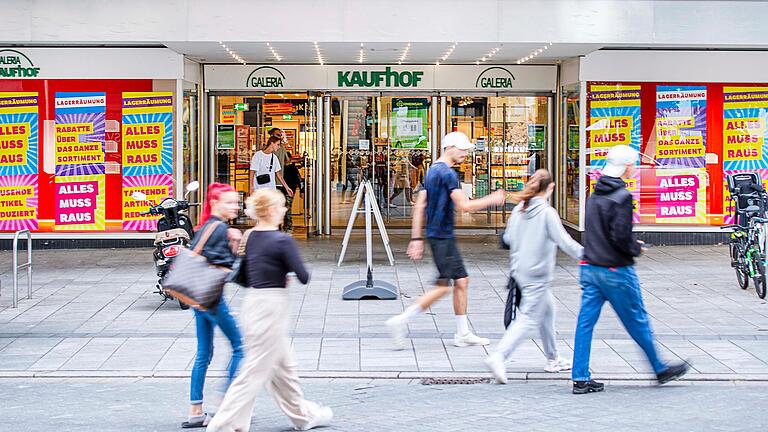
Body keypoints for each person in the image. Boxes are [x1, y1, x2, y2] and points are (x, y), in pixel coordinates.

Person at [206, 189, 333, 432]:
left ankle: (302, 417)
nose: (285, 210)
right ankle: (221, 426)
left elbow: (248, 273)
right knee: (254, 371)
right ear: (272, 210)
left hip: (253, 303)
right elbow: (304, 276)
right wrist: (285, 269)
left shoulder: (250, 236)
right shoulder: (282, 240)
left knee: (284, 368)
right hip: (272, 308)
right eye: (283, 206)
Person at [571, 145, 689, 394]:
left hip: (591, 267)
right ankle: (659, 368)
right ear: (626, 167)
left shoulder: (594, 196)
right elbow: (621, 237)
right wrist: (637, 248)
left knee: (585, 324)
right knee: (637, 321)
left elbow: (594, 233)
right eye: (633, 165)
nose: (634, 169)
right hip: (616, 270)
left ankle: (580, 376)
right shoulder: (622, 197)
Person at [385, 131, 506, 349]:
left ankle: (463, 333)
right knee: (444, 286)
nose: (465, 154)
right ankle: (401, 321)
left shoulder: (431, 171)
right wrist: (493, 199)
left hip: (436, 234)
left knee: (460, 281)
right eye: (462, 149)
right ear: (449, 147)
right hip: (443, 235)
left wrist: (416, 238)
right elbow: (465, 206)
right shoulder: (448, 174)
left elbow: (420, 205)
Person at [484, 170, 582, 384]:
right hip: (538, 274)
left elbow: (508, 238)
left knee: (548, 312)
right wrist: (589, 255)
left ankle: (553, 358)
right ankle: (500, 356)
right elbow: (565, 242)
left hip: (521, 271)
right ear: (551, 187)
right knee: (528, 318)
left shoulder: (520, 209)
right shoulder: (547, 213)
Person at [182, 183, 244, 428]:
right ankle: (224, 405)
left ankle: (195, 409)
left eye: (236, 202)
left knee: (204, 353)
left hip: (198, 298)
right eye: (230, 202)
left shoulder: (205, 226)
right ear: (215, 203)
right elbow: (227, 269)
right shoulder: (219, 228)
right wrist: (235, 245)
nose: (236, 206)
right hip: (213, 299)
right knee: (241, 347)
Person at [281, 152, 303, 232]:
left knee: (287, 209)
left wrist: (301, 190)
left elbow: (299, 180)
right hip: (282, 191)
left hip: (289, 191)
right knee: (284, 209)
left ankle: (288, 225)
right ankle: (285, 225)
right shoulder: (280, 168)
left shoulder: (292, 168)